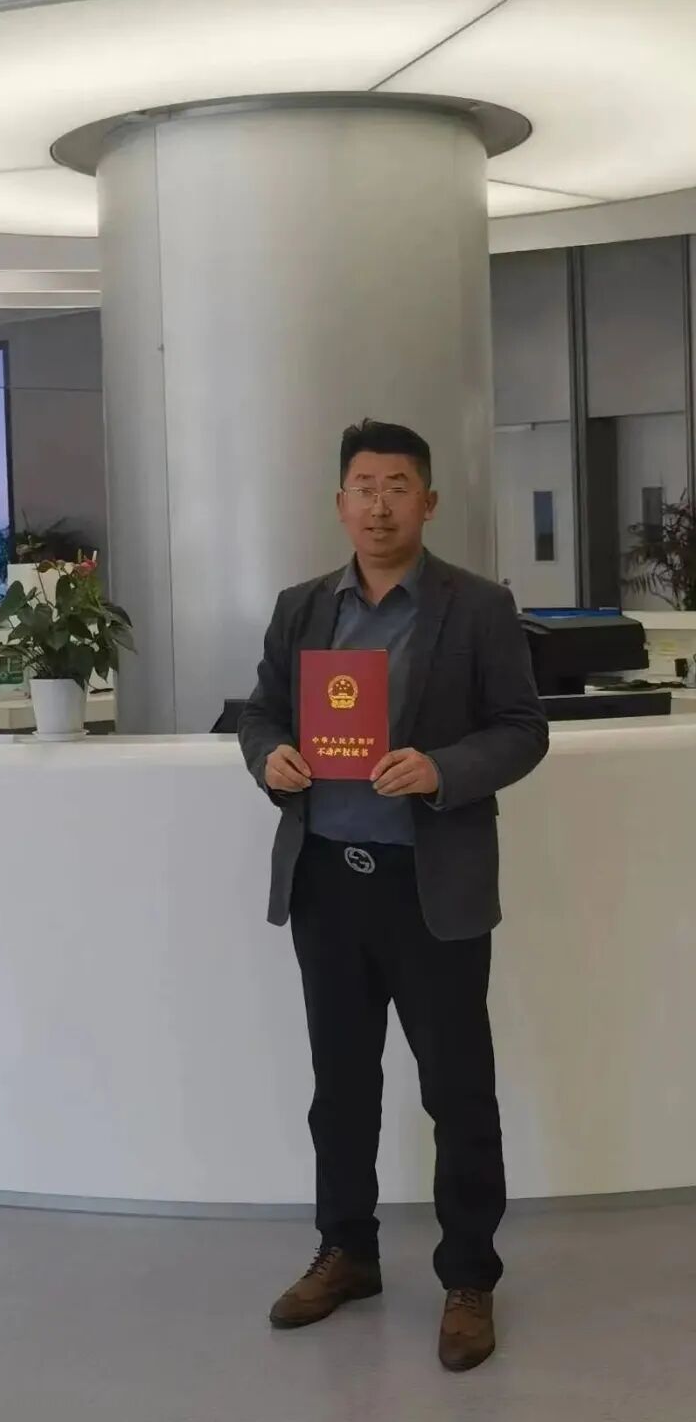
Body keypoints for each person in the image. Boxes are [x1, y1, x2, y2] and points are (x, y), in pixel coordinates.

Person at [238, 419, 547, 1374]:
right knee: (341, 1084)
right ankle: (348, 1250)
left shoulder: (478, 606)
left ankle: (469, 1275)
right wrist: (269, 756)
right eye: (364, 487)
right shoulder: (301, 608)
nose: (380, 505)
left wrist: (443, 769)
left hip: (430, 886)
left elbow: (522, 729)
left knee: (457, 1088)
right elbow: (259, 712)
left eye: (398, 486)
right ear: (340, 502)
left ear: (429, 501)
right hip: (327, 881)